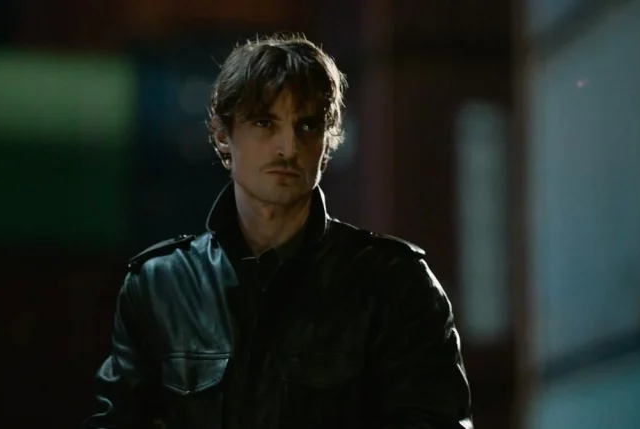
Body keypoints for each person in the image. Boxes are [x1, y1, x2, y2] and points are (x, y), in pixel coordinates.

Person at [84, 33, 473, 429]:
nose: (288, 148)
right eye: (265, 122)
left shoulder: (394, 283)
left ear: (327, 143)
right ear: (222, 134)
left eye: (308, 125)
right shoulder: (160, 285)